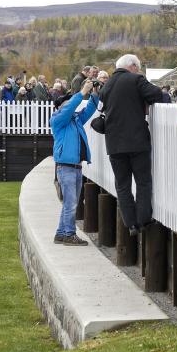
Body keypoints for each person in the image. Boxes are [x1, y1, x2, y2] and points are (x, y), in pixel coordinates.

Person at [98, 54, 163, 236]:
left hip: (114, 143)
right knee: (143, 181)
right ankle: (143, 220)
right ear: (132, 66)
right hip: (137, 141)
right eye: (138, 68)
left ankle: (130, 223)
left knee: (122, 184)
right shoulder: (136, 80)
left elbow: (101, 110)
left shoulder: (106, 85)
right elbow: (156, 94)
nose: (139, 71)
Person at [51, 79, 99, 246]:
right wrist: (81, 92)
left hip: (76, 167)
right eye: (68, 103)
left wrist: (94, 94)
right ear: (60, 107)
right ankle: (69, 234)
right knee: (71, 204)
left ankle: (60, 233)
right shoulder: (58, 119)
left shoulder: (75, 119)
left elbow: (90, 109)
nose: (72, 105)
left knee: (70, 204)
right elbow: (71, 108)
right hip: (66, 168)